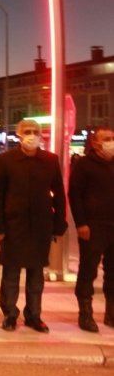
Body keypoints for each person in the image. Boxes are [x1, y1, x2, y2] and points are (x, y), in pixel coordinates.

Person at [0, 118, 67, 333]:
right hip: (13, 226)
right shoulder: (6, 160)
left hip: (40, 227)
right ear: (19, 134)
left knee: (36, 276)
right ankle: (10, 315)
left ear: (41, 135)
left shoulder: (50, 160)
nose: (32, 135)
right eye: (27, 131)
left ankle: (34, 316)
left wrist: (59, 225)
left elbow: (59, 195)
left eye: (35, 131)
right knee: (11, 275)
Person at [68, 126, 114, 332]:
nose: (111, 142)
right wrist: (81, 223)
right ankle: (85, 314)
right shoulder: (84, 165)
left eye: (113, 138)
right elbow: (75, 194)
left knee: (113, 272)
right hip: (93, 227)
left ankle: (111, 314)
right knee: (88, 271)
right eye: (107, 139)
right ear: (95, 143)